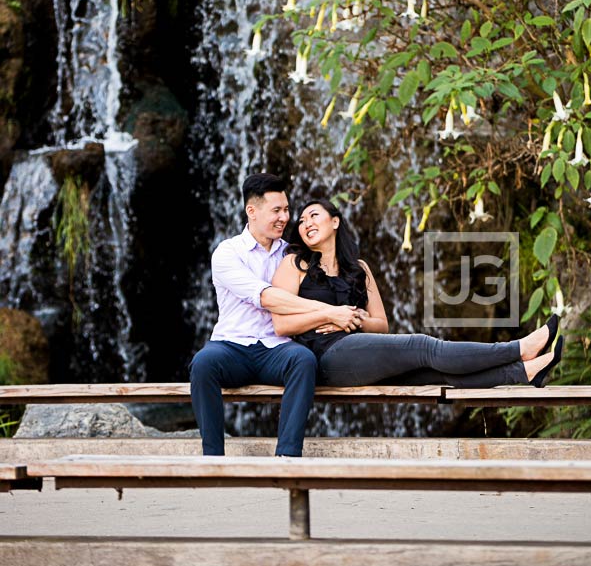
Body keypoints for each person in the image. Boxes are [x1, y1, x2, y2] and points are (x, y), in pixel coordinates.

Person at [270, 198, 563, 389]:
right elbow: (281, 325)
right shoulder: (295, 264)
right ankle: (518, 348)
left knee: (436, 374)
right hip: (325, 357)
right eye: (302, 220)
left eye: (314, 215)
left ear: (335, 222)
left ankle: (525, 373)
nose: (306, 222)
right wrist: (326, 315)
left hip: (362, 352)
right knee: (423, 346)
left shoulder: (360, 269)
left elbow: (381, 325)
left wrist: (353, 318)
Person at [189, 175, 367, 456]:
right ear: (252, 211)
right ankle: (213, 458)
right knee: (203, 363)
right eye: (277, 211)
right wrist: (330, 312)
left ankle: (287, 457)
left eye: (286, 210)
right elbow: (266, 298)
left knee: (304, 360)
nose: (285, 217)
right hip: (231, 347)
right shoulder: (227, 253)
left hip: (277, 348)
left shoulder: (294, 254)